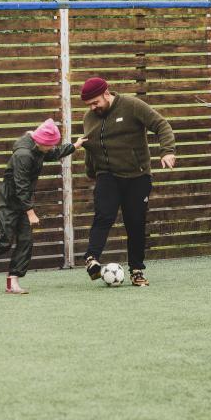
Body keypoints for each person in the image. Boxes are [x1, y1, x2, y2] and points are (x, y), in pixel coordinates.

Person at [0, 118, 83, 294]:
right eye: (50, 144)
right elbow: (21, 185)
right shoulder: (23, 155)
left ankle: (12, 281)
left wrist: (74, 146)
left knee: (26, 241)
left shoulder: (38, 147)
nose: (52, 148)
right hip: (8, 202)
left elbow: (52, 153)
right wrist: (30, 212)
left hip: (23, 201)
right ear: (42, 141)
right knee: (5, 241)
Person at [78, 77, 176, 287]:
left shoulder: (131, 106)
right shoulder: (89, 117)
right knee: (103, 215)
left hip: (137, 176)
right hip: (107, 175)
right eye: (89, 105)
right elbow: (91, 146)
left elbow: (161, 125)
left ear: (107, 93)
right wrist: (91, 172)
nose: (93, 108)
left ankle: (137, 270)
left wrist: (167, 152)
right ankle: (91, 259)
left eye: (95, 102)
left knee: (135, 223)